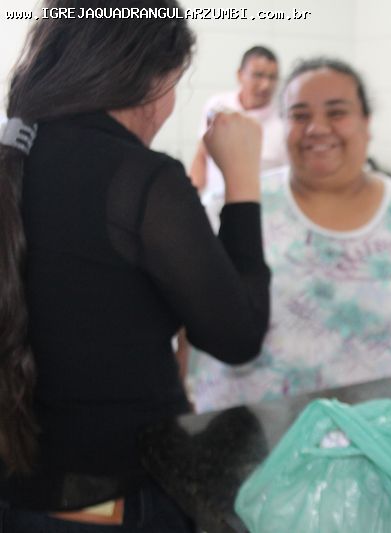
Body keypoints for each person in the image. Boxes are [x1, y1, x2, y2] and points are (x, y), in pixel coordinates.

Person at [0, 1, 271, 531]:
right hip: (112, 495)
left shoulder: (15, 159)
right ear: (152, 80)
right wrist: (242, 180)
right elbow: (236, 334)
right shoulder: (140, 181)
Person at [187, 57, 391, 413]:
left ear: (367, 123)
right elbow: (181, 330)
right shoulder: (231, 209)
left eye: (336, 112)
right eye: (299, 115)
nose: (317, 128)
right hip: (248, 441)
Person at [189, 45, 288, 230]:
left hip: (261, 221)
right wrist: (190, 200)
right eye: (258, 75)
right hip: (211, 214)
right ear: (240, 75)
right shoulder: (217, 106)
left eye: (272, 77)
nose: (266, 85)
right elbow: (202, 156)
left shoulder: (285, 122)